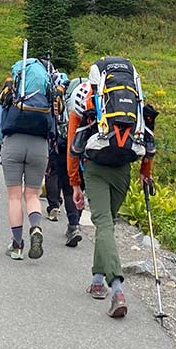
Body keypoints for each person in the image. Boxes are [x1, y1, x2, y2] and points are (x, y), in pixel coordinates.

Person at [67, 57, 156, 318]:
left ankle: (116, 288)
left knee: (104, 225)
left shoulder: (86, 100)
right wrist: (145, 172)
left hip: (95, 168)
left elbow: (74, 146)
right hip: (123, 168)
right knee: (108, 223)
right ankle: (97, 279)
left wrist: (74, 183)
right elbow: (147, 134)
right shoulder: (133, 102)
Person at [0, 56, 55, 260]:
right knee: (32, 195)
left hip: (13, 143)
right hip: (39, 145)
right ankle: (35, 227)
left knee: (14, 196)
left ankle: (17, 245)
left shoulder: (12, 91)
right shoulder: (47, 93)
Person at [44, 73, 83, 247]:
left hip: (65, 146)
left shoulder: (63, 100)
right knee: (81, 188)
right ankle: (76, 223)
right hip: (89, 150)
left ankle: (73, 225)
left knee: (69, 188)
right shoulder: (92, 102)